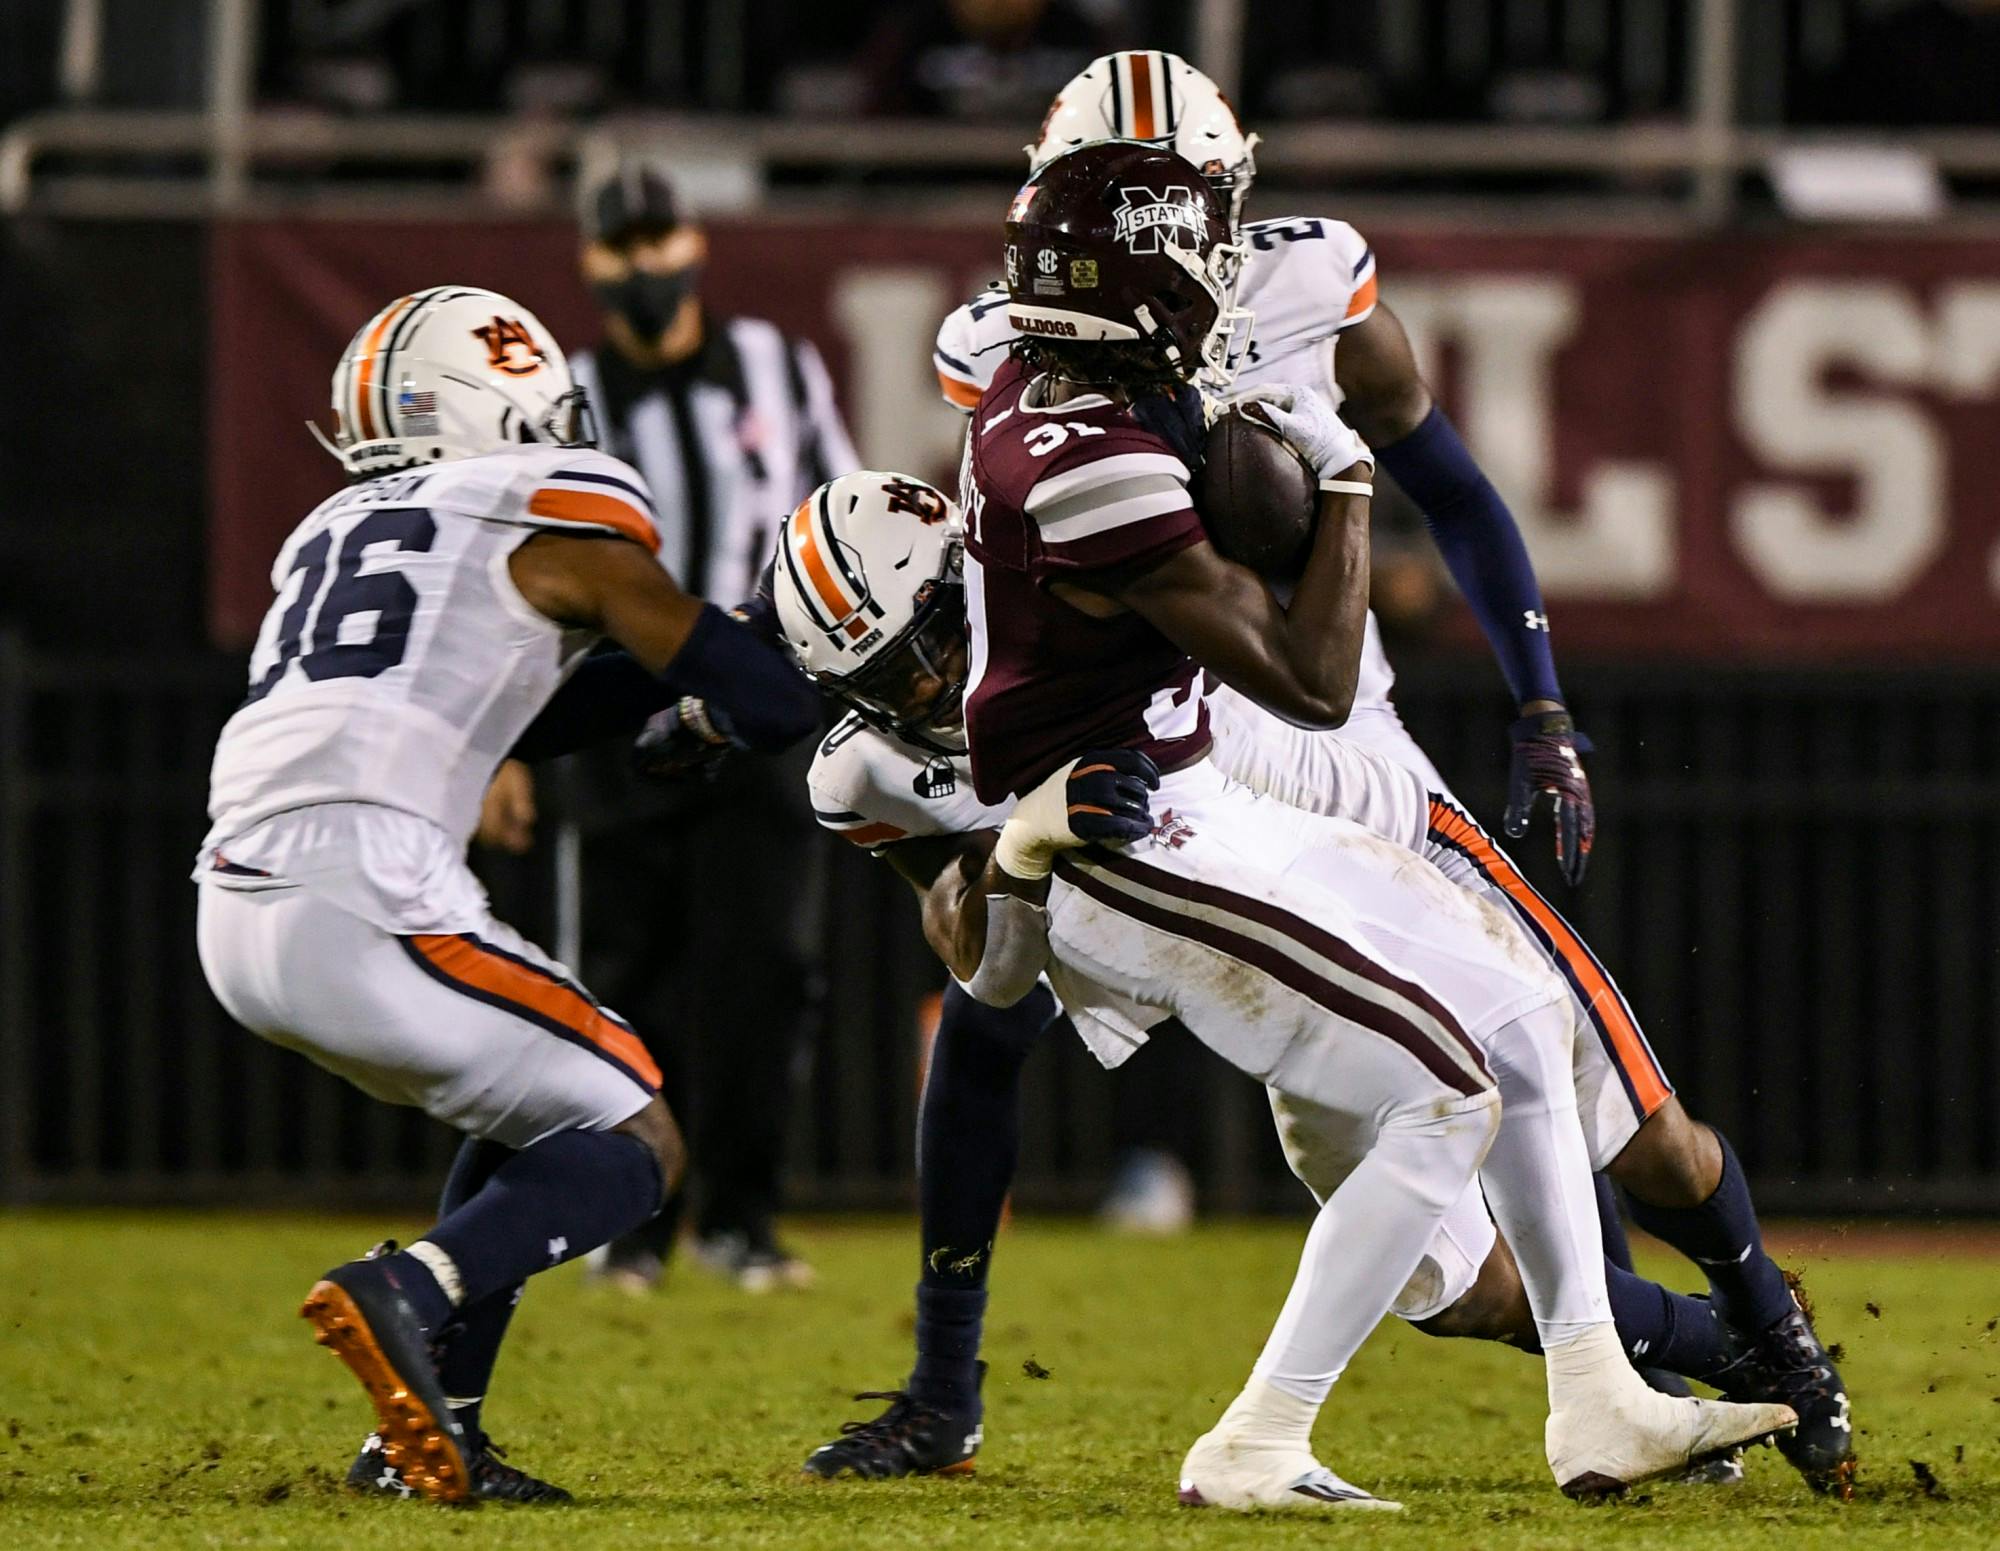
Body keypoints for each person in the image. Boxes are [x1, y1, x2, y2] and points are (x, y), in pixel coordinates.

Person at [894, 50, 1852, 1494]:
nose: (1202, 233)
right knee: (1432, 1190)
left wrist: (1540, 703)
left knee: (1573, 1059)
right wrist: (983, 813)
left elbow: (1453, 494)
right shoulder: (1026, 370)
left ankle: (1714, 1353)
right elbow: (1012, 587)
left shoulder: (1304, 281)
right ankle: (1031, 1396)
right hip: (1192, 764)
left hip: (1347, 760)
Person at [194, 286, 821, 1504]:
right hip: (369, 889)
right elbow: (763, 696)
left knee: (537, 1106)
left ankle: (423, 1440)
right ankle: (405, 1287)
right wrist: (771, 650)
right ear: (496, 409)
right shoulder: (542, 508)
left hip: (238, 903)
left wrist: (695, 681)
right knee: (638, 1135)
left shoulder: (335, 529)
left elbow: (522, 720)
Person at [493, 158, 861, 1294]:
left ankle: (741, 1220)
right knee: (623, 975)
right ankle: (631, 1221)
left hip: (756, 706)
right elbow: (523, 574)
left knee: (766, 970)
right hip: (616, 713)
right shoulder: (565, 397)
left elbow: (838, 518)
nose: (644, 265)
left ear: (695, 244)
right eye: (622, 247)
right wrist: (507, 741)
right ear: (588, 262)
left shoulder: (778, 366)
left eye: (658, 240)